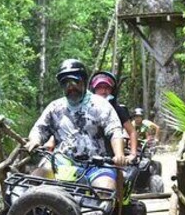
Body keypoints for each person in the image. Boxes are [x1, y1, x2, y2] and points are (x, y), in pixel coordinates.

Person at [26, 59, 127, 191]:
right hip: (61, 162)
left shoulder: (101, 105)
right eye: (65, 83)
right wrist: (35, 140)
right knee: (33, 181)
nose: (71, 87)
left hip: (97, 164)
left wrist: (119, 154)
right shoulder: (55, 107)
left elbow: (115, 131)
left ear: (84, 81)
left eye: (75, 81)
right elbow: (39, 129)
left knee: (105, 189)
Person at [88, 71, 138, 162]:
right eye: (99, 87)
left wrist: (133, 154)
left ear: (112, 90)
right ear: (93, 89)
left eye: (107, 87)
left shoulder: (118, 109)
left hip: (111, 157)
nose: (103, 91)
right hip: (88, 155)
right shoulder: (85, 109)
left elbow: (132, 131)